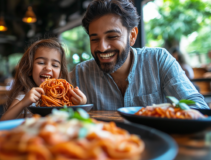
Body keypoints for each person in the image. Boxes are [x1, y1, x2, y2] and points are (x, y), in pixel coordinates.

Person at [70, 0, 208, 110]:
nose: (102, 47)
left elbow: (197, 107)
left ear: (132, 35)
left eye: (112, 36)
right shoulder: (79, 74)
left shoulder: (159, 60)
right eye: (94, 39)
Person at [0, 38, 87, 120]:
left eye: (55, 65)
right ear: (29, 69)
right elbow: (2, 123)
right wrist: (23, 103)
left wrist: (81, 104)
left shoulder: (65, 96)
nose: (48, 68)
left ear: (60, 74)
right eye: (41, 62)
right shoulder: (26, 95)